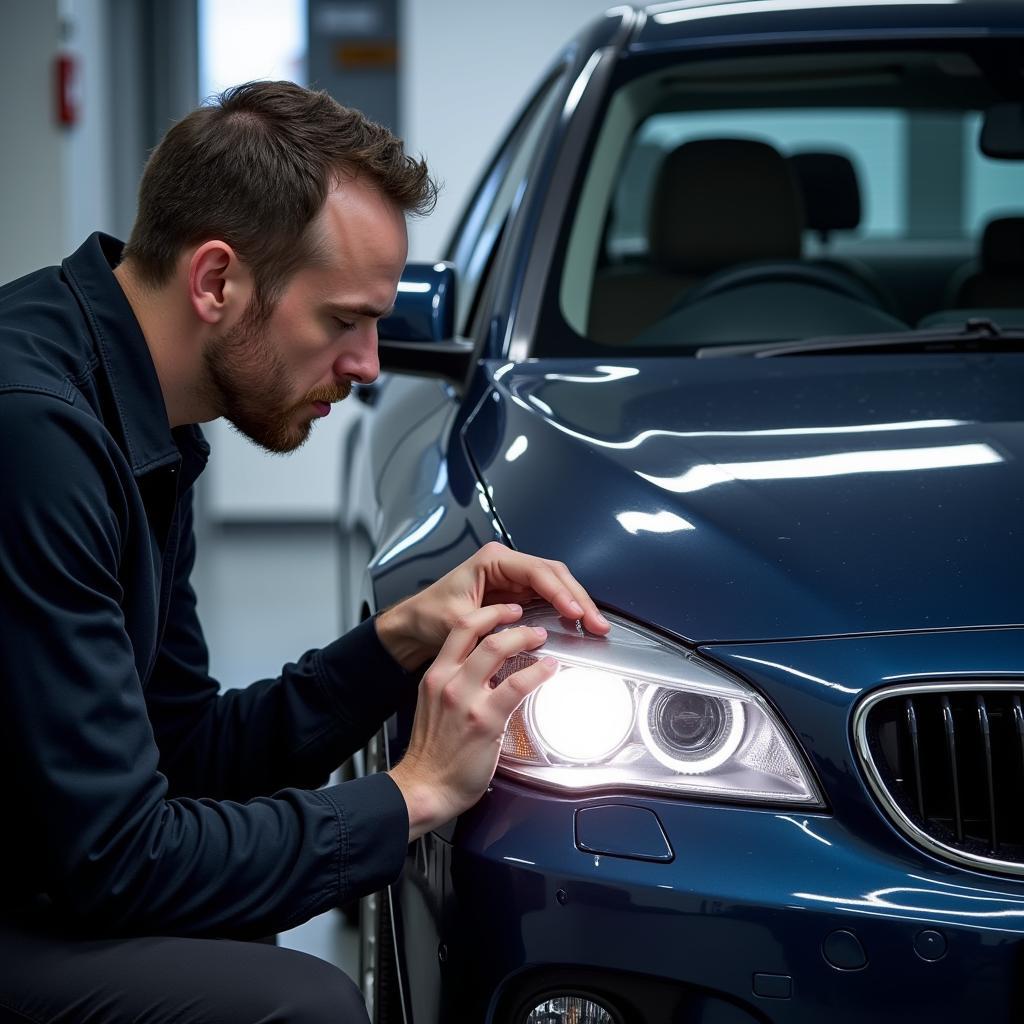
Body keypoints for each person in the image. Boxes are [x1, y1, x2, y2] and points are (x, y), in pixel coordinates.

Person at [0, 81, 609, 1023]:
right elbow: (119, 862)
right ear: (215, 282)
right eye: (342, 320)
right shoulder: (38, 439)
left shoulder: (140, 415)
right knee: (298, 1005)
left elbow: (186, 754)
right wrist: (412, 795)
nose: (369, 365)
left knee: (241, 920)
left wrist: (393, 644)